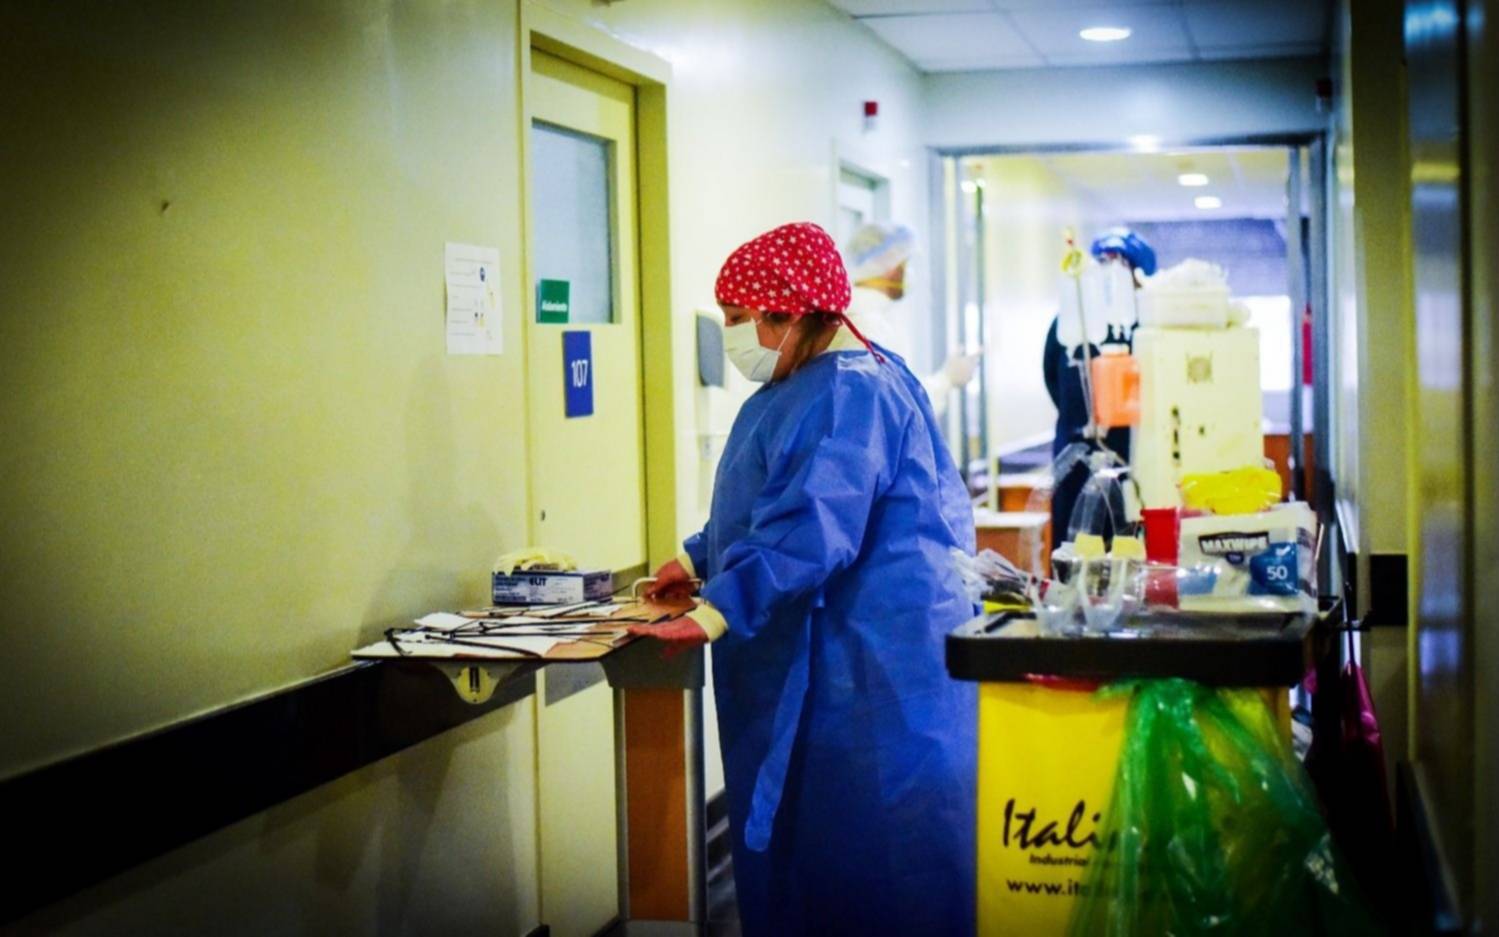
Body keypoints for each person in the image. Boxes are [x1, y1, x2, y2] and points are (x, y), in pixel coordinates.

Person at [629, 222, 978, 937]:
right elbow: (768, 502)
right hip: (826, 661)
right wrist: (696, 561)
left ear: (788, 314)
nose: (732, 337)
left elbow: (814, 523)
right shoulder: (803, 387)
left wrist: (717, 609)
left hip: (868, 669)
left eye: (737, 319)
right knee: (812, 860)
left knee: (872, 863)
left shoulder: (852, 393)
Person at [1043, 227, 1155, 540]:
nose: (1111, 273)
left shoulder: (1145, 326)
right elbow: (1053, 377)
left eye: (1120, 265)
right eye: (1104, 263)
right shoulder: (1071, 321)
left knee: (1126, 539)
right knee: (1074, 539)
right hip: (1075, 449)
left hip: (1131, 451)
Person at [843, 221, 980, 417]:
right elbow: (899, 405)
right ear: (891, 266)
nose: (908, 274)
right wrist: (946, 380)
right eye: (905, 264)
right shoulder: (867, 324)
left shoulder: (864, 314)